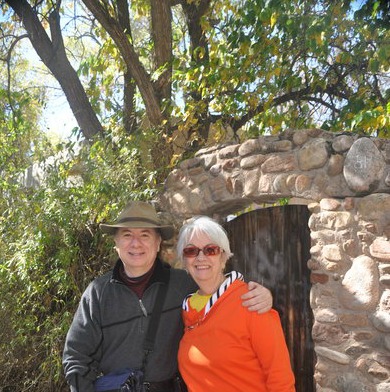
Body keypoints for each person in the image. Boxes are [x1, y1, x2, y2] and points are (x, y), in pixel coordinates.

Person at [62, 201, 273, 392]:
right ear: (116, 244)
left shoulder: (184, 284)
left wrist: (261, 295)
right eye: (127, 235)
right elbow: (76, 356)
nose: (136, 243)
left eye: (145, 235)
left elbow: (220, 289)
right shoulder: (98, 293)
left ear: (157, 244)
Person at [177, 216, 296, 392]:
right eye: (191, 251)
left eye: (210, 250)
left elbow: (280, 377)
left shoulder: (251, 302)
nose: (200, 257)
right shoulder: (187, 307)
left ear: (223, 256)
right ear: (184, 260)